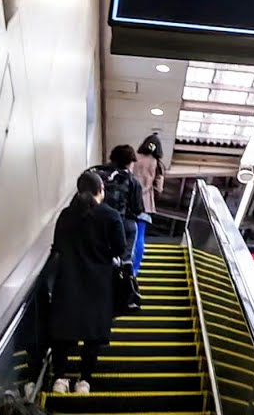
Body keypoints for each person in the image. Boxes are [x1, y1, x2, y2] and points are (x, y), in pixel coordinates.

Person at [47, 169, 126, 394]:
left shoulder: (65, 215)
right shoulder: (110, 215)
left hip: (68, 280)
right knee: (92, 335)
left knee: (64, 331)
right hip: (99, 283)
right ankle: (84, 381)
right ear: (100, 190)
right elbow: (120, 248)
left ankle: (60, 379)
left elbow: (58, 246)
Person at [92, 145, 144, 272]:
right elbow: (138, 208)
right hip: (118, 222)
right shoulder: (132, 180)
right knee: (133, 228)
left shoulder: (96, 172)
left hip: (92, 219)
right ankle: (126, 263)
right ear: (129, 163)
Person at [129, 134, 167, 273]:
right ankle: (134, 269)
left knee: (124, 232)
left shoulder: (133, 158)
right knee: (139, 236)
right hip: (144, 204)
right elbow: (159, 188)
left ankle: (120, 263)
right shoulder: (158, 164)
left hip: (127, 202)